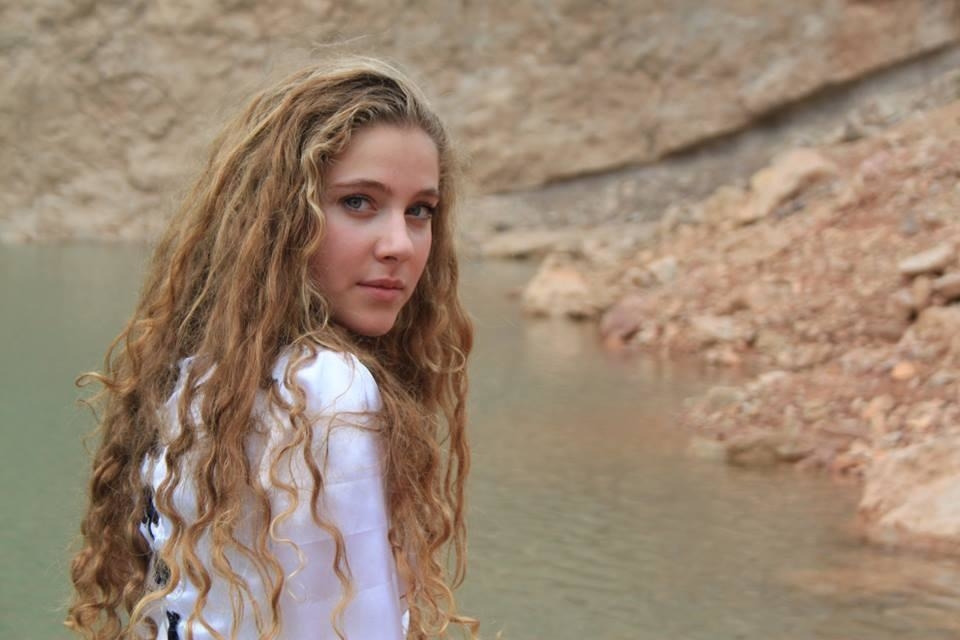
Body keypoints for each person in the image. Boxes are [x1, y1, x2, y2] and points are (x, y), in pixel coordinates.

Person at [66, 57, 477, 639]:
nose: (400, 245)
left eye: (420, 211)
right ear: (282, 215)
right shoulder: (328, 388)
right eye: (358, 202)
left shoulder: (200, 375)